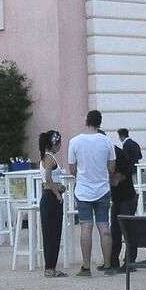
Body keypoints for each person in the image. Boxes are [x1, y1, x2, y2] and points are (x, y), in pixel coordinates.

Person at [67, 109, 116, 277]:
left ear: (86, 121)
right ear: (100, 123)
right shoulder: (107, 141)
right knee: (104, 227)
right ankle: (108, 265)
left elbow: (72, 169)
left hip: (83, 190)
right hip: (103, 189)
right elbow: (111, 168)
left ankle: (86, 267)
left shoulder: (74, 142)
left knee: (85, 228)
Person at [109, 128, 142, 271]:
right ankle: (113, 260)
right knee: (115, 230)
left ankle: (129, 261)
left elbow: (117, 179)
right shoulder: (113, 152)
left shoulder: (117, 154)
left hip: (126, 197)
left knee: (126, 230)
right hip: (119, 198)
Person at [37, 130, 67, 278]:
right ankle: (50, 267)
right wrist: (57, 192)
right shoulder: (49, 158)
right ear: (54, 143)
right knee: (52, 233)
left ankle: (51, 266)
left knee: (53, 233)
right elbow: (48, 178)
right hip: (51, 197)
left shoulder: (46, 157)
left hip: (49, 196)